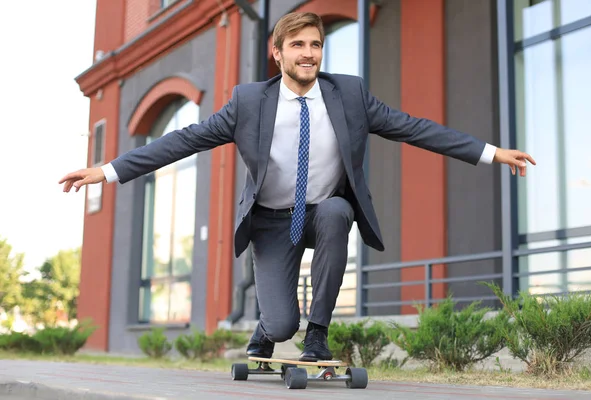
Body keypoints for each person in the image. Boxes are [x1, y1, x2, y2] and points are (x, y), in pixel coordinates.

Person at [59, 12, 535, 362]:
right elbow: (185, 139)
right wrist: (110, 170)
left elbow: (414, 128)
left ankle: (319, 335)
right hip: (270, 221)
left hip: (321, 210)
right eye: (299, 45)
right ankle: (272, 330)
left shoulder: (349, 95)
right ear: (278, 52)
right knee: (280, 321)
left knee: (336, 213)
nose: (309, 53)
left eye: (316, 45)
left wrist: (492, 152)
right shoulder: (248, 102)